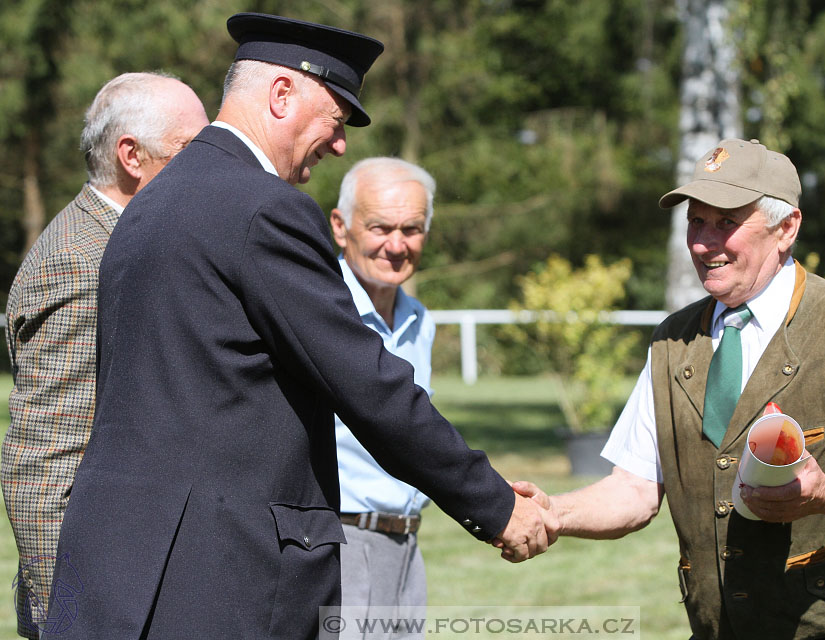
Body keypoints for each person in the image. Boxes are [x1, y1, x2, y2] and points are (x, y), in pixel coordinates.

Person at [49, 13, 547, 640]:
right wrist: (496, 505)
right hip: (219, 581)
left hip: (124, 574)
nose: (340, 144)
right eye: (335, 119)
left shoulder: (149, 203)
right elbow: (368, 385)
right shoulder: (266, 210)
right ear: (281, 94)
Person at [515, 138, 825, 640]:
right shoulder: (672, 340)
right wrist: (553, 512)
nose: (703, 242)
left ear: (787, 228)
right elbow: (633, 489)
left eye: (726, 223)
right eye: (696, 221)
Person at [2, 71, 208, 639]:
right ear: (131, 156)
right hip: (94, 604)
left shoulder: (122, 242)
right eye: (192, 149)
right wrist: (67, 619)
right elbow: (40, 463)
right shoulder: (79, 260)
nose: (210, 166)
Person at [329, 157, 438, 638]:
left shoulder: (419, 320)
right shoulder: (319, 312)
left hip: (408, 546)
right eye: (379, 227)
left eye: (411, 229)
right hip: (340, 545)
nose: (396, 245)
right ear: (340, 227)